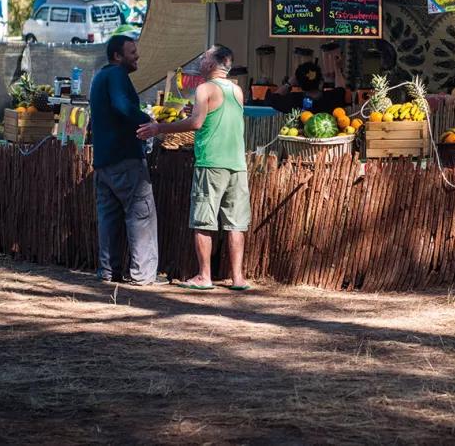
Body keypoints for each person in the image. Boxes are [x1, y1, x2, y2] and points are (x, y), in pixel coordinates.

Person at [137, 45, 250, 291]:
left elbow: (197, 123)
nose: (200, 60)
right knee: (235, 223)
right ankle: (238, 278)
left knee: (203, 220)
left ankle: (204, 276)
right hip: (237, 165)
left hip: (211, 162)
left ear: (212, 63)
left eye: (204, 57)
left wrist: (159, 129)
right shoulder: (237, 91)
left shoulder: (204, 88)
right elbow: (217, 117)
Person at [90, 35, 160, 285]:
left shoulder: (99, 77)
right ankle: (142, 275)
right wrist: (147, 121)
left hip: (103, 160)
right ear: (118, 56)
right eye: (132, 52)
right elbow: (123, 107)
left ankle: (108, 271)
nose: (137, 56)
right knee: (141, 214)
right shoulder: (117, 75)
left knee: (108, 218)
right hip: (125, 158)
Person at [265, 61, 346, 114]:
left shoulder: (294, 99)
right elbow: (341, 90)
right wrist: (337, 69)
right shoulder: (331, 97)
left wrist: (288, 84)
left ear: (298, 82)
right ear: (320, 81)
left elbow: (273, 99)